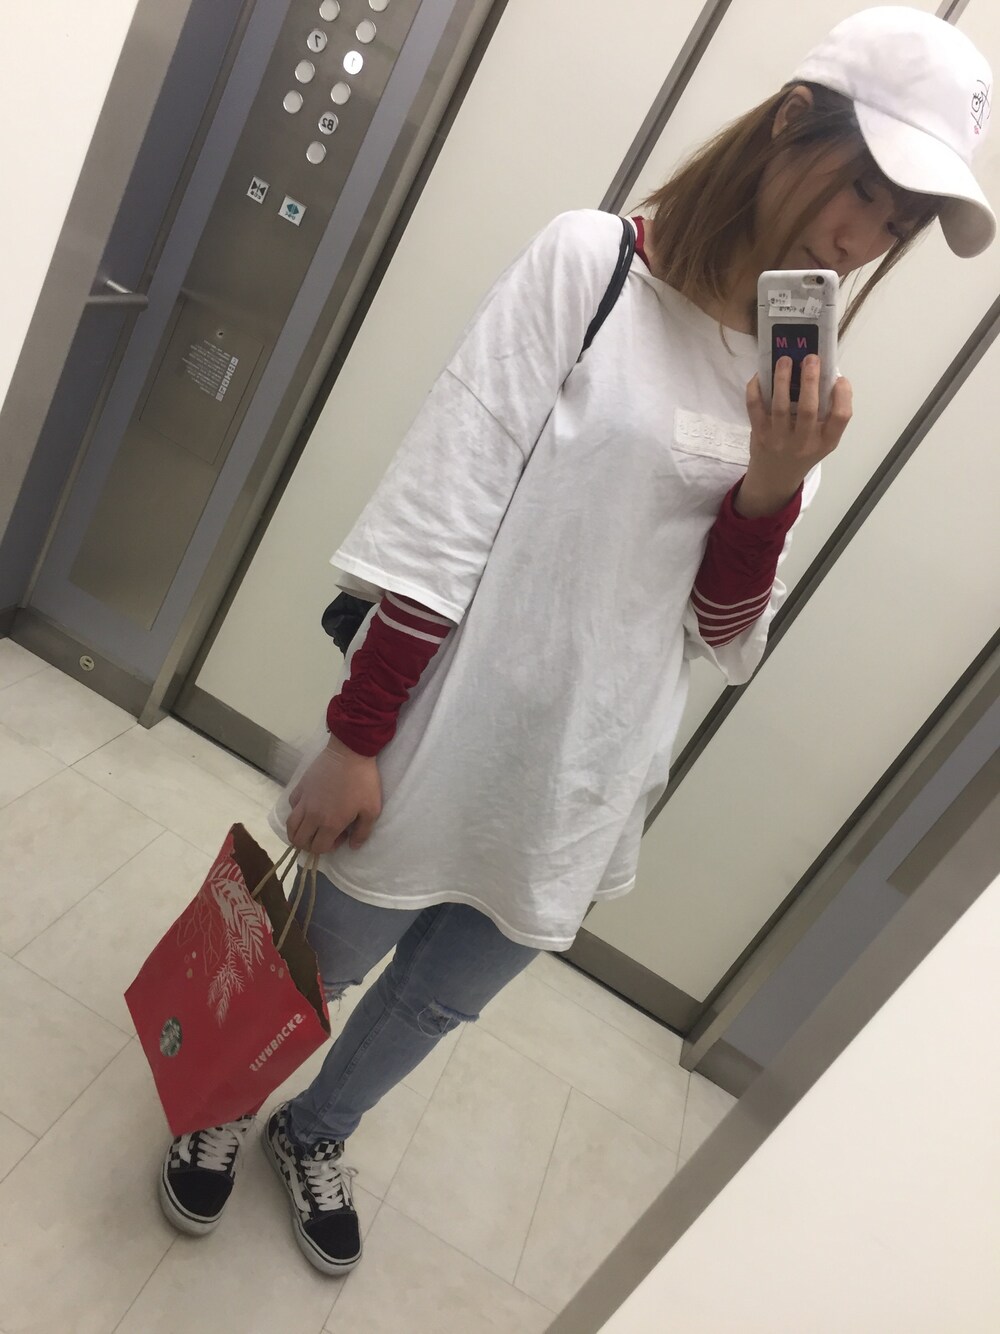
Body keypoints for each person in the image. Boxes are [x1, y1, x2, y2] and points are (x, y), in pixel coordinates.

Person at [156, 7, 994, 1277]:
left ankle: (316, 1129)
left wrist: (772, 487)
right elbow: (448, 499)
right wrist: (357, 731)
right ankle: (224, 1097)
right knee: (321, 955)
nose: (862, 236)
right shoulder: (592, 264)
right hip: (442, 726)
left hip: (589, 770)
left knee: (441, 997)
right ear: (789, 123)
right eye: (864, 187)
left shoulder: (794, 394)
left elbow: (721, 634)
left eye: (899, 221)